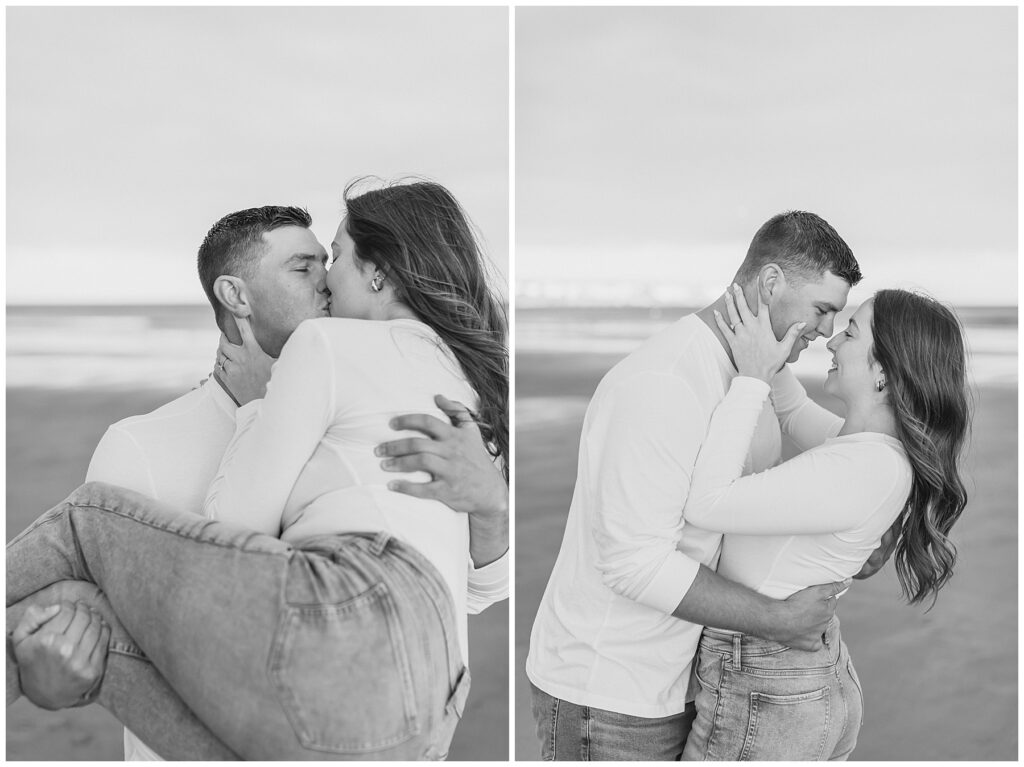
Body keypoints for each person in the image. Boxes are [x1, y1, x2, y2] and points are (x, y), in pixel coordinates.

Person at [7, 179, 509, 760]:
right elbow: (79, 644)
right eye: (304, 267)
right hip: (409, 711)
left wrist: (492, 502)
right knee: (67, 607)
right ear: (235, 295)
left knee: (86, 515)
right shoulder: (141, 446)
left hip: (352, 653)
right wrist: (48, 672)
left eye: (332, 259)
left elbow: (477, 590)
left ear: (378, 273)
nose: (324, 279)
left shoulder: (347, 363)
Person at [526, 211, 894, 760]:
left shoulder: (758, 371)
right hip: (612, 694)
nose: (824, 333)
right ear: (770, 285)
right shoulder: (664, 384)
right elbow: (633, 563)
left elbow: (829, 439)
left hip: (688, 679)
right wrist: (778, 620)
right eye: (822, 311)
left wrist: (877, 514)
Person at [678, 285, 969, 760]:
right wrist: (769, 340)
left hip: (771, 693)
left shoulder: (863, 470)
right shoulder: (868, 451)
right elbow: (792, 412)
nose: (830, 341)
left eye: (850, 333)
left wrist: (750, 379)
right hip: (797, 686)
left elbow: (708, 503)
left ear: (883, 374)